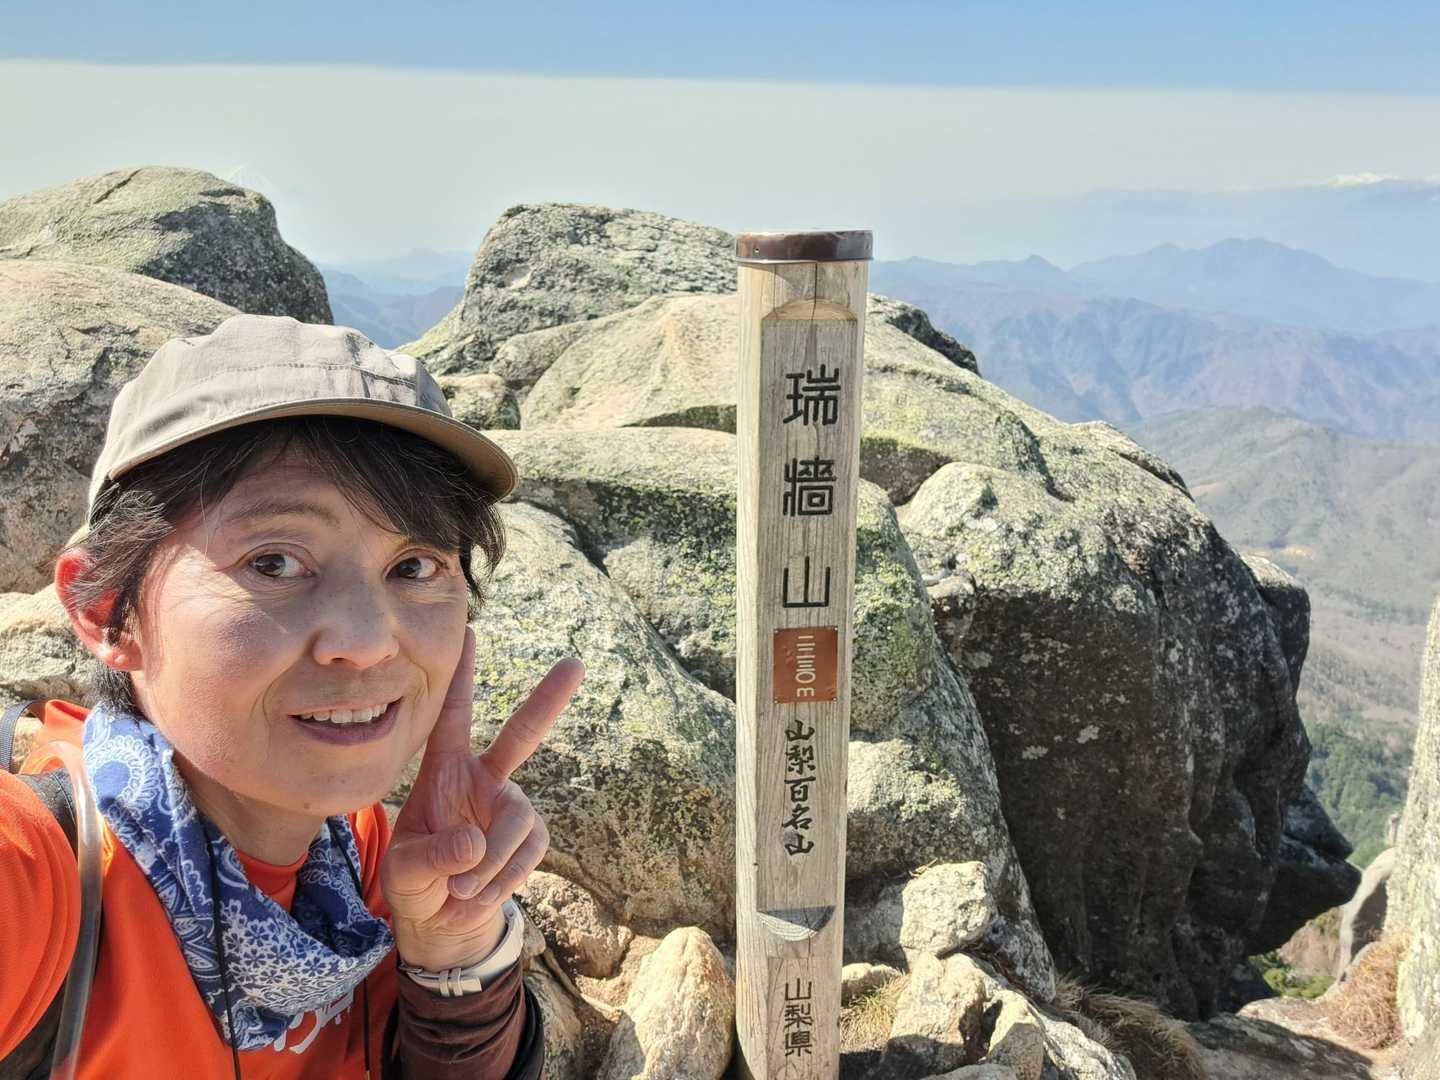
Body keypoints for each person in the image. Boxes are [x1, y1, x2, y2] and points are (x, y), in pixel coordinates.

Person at [0, 314, 585, 1078]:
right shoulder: (42, 881)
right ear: (108, 610)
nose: (367, 640)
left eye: (414, 566)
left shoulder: (368, 859)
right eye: (273, 562)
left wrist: (455, 951)